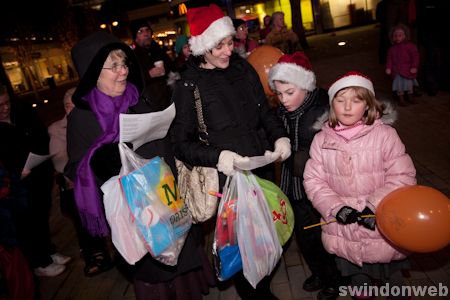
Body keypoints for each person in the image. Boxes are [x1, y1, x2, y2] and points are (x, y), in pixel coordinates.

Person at [65, 31, 214, 299]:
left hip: (168, 199)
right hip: (135, 214)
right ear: (93, 72)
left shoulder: (139, 98)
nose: (123, 72)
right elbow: (74, 167)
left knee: (185, 269)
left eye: (125, 64)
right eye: (114, 66)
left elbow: (166, 139)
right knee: (158, 275)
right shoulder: (81, 117)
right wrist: (100, 163)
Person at [171, 4, 291, 299]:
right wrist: (219, 157)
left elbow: (264, 112)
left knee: (270, 234)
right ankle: (256, 294)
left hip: (261, 169)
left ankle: (261, 287)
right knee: (243, 247)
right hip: (229, 183)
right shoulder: (189, 84)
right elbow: (180, 143)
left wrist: (280, 138)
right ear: (203, 47)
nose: (228, 51)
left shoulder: (242, 68)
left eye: (229, 43)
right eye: (219, 46)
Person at [303, 72, 416, 299]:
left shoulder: (385, 135)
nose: (347, 107)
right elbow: (314, 181)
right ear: (331, 103)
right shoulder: (321, 140)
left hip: (382, 229)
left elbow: (403, 176)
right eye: (340, 99)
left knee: (395, 284)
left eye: (356, 100)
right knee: (359, 286)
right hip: (346, 232)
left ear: (368, 105)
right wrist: (336, 208)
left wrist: (374, 205)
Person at [268, 52, 341, 300]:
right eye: (278, 94)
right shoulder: (282, 112)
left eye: (289, 92)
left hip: (320, 188)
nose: (283, 100)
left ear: (306, 85)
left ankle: (335, 278)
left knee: (326, 235)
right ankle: (319, 272)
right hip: (293, 185)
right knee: (304, 235)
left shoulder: (322, 111)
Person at [0, 83, 70, 277]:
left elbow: (38, 136)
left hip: (37, 174)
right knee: (27, 223)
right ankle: (38, 261)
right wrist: (15, 174)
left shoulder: (20, 113)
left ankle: (47, 250)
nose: (5, 108)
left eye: (7, 103)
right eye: (0, 106)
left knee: (41, 216)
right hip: (15, 185)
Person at [48, 87, 113, 277]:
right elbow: (60, 161)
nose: (73, 111)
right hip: (76, 180)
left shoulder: (92, 122)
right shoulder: (57, 129)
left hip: (96, 177)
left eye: (77, 106)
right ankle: (96, 252)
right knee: (78, 203)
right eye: (69, 106)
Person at [131, 19, 174, 112]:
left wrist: (165, 69)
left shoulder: (158, 50)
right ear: (135, 37)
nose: (146, 34)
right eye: (140, 31)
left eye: (147, 30)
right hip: (149, 105)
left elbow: (172, 67)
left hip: (167, 100)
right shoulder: (133, 57)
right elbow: (132, 81)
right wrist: (148, 75)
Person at [386, 24, 420, 106]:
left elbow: (415, 57)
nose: (398, 38)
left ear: (405, 36)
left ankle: (410, 97)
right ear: (393, 37)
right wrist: (388, 68)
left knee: (409, 85)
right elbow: (389, 59)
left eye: (400, 36)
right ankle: (401, 99)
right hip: (397, 71)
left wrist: (414, 66)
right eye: (396, 36)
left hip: (407, 70)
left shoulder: (410, 47)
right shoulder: (392, 49)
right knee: (399, 86)